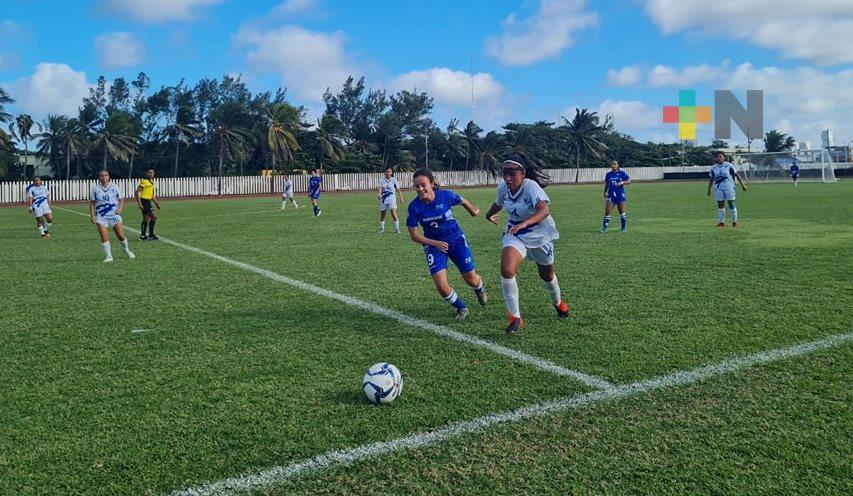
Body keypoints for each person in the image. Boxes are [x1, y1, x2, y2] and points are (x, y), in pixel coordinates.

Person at [484, 155, 570, 335]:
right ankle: (515, 317)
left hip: (540, 236)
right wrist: (488, 214)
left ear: (522, 174)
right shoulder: (504, 188)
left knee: (546, 275)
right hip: (515, 234)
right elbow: (498, 204)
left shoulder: (530, 186)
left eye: (512, 173)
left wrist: (525, 223)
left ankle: (558, 303)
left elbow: (544, 210)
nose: (507, 178)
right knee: (507, 269)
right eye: (504, 173)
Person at [406, 168, 488, 321]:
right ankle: (461, 308)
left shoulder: (445, 196)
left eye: (423, 185)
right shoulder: (414, 207)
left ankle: (479, 288)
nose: (420, 189)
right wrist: (435, 243)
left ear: (432, 183)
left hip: (456, 240)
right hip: (433, 245)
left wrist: (473, 212)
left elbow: (461, 200)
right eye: (417, 186)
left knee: (471, 279)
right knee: (441, 286)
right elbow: (414, 235)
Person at [89, 170, 135, 263]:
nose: (103, 177)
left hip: (114, 216)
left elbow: (121, 199)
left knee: (121, 236)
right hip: (101, 217)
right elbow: (92, 203)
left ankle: (126, 249)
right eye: (101, 175)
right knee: (104, 236)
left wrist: (119, 209)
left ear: (108, 177)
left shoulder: (114, 187)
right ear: (99, 177)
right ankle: (109, 256)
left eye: (105, 175)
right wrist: (92, 215)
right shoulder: (95, 189)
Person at [707, 151, 747, 227]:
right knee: (720, 204)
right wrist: (709, 189)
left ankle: (734, 222)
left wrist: (743, 184)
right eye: (717, 157)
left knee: (730, 202)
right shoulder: (714, 167)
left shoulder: (729, 165)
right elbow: (711, 178)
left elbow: (736, 175)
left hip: (729, 187)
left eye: (721, 156)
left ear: (724, 158)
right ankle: (721, 222)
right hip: (719, 188)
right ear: (715, 158)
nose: (719, 158)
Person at [600, 160, 631, 233]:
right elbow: (607, 184)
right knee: (607, 211)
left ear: (618, 166)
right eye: (612, 164)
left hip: (620, 194)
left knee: (621, 211)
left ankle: (623, 228)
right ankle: (605, 228)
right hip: (611, 194)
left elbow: (629, 181)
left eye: (614, 164)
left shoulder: (622, 173)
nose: (613, 165)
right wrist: (605, 192)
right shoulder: (608, 174)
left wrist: (622, 182)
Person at [378, 168, 406, 234]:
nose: (388, 173)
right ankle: (382, 229)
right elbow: (380, 188)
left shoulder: (394, 180)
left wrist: (401, 198)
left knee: (393, 213)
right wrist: (379, 194)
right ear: (385, 173)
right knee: (383, 214)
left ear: (391, 173)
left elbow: (398, 189)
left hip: (392, 199)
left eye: (389, 172)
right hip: (383, 199)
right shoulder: (382, 180)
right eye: (386, 172)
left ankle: (397, 229)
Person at [135, 169, 161, 240]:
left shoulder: (151, 183)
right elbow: (137, 192)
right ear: (146, 174)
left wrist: (156, 203)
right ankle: (151, 235)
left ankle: (143, 236)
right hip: (144, 201)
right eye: (149, 172)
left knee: (146, 219)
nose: (151, 174)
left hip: (148, 201)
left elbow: (151, 195)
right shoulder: (144, 181)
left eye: (152, 172)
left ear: (154, 174)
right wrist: (140, 204)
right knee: (153, 218)